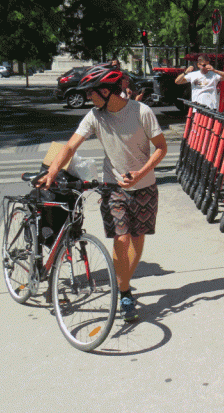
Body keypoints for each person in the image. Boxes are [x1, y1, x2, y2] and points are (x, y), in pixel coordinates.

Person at [37, 65, 167, 322]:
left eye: (91, 92)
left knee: (138, 240)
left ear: (107, 91)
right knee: (121, 239)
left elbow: (161, 148)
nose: (88, 97)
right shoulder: (94, 116)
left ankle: (122, 284)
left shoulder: (142, 112)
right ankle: (126, 292)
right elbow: (70, 145)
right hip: (113, 185)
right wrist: (52, 170)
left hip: (145, 185)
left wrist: (140, 174)